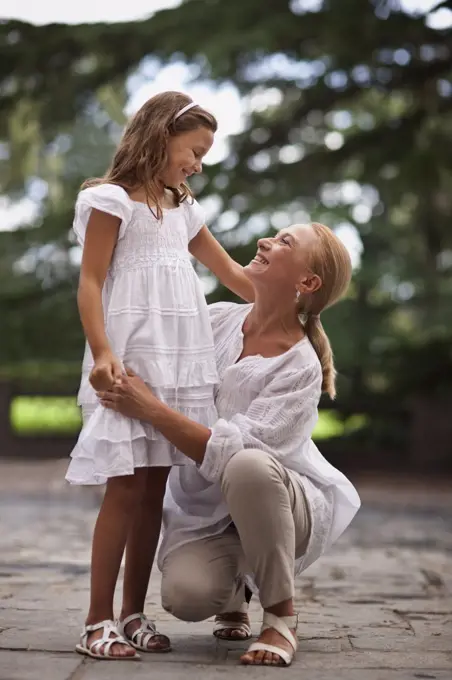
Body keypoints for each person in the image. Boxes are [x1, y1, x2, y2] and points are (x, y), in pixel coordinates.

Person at [98, 221, 362, 667]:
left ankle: (280, 617)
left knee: (247, 466)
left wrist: (150, 410)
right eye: (274, 234)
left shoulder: (300, 367)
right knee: (185, 595)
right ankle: (235, 591)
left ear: (308, 282)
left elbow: (229, 453)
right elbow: (163, 341)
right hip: (212, 513)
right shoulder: (218, 319)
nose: (266, 241)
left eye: (284, 242)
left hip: (281, 504)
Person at [66, 91, 254, 661]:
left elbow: (234, 275)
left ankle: (133, 614)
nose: (197, 164)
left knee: (153, 491)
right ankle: (96, 621)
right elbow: (92, 282)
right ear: (159, 135)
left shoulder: (185, 210)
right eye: (193, 150)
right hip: (128, 358)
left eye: (202, 156)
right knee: (123, 488)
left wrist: (296, 302)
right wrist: (102, 351)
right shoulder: (111, 201)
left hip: (178, 364)